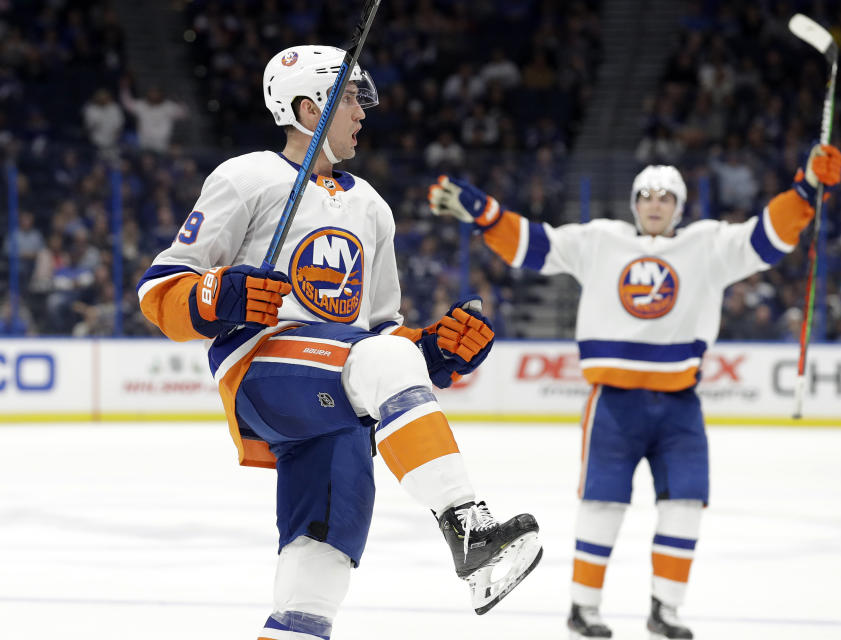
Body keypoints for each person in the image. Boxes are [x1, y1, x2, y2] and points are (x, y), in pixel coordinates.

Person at [137, 45, 541, 640]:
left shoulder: (373, 208)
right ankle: (468, 527)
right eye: (349, 98)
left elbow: (379, 332)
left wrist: (433, 351)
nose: (361, 112)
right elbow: (159, 289)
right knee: (382, 364)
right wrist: (216, 296)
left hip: (336, 394)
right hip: (262, 366)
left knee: (318, 566)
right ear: (308, 108)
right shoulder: (246, 177)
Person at [429, 144, 841, 639]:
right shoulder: (601, 239)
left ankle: (665, 609)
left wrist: (804, 190)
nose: (655, 202)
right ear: (633, 202)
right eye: (646, 194)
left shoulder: (707, 244)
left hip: (679, 405)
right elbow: (536, 246)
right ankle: (583, 609)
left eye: (666, 196)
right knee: (602, 506)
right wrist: (485, 213)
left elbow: (767, 238)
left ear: (679, 205)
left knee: (686, 504)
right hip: (615, 402)